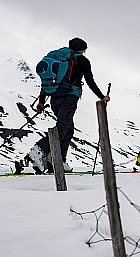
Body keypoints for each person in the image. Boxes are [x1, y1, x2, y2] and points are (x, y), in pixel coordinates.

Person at [21, 37, 110, 173]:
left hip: (54, 98)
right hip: (69, 98)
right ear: (83, 49)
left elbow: (47, 81)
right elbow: (89, 80)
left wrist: (41, 101)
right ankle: (38, 151)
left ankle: (57, 160)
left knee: (68, 129)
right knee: (62, 128)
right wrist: (102, 96)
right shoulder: (82, 60)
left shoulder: (58, 58)